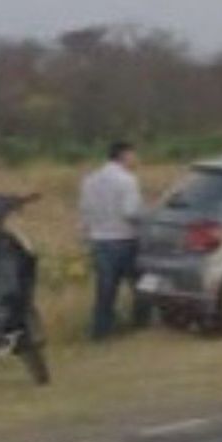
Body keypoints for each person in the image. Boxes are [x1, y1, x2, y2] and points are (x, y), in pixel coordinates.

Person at [79, 141, 152, 341]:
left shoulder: (90, 180)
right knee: (140, 284)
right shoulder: (127, 180)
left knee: (105, 289)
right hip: (124, 239)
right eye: (133, 155)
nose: (136, 159)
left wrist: (86, 236)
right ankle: (141, 325)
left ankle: (101, 331)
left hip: (100, 240)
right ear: (124, 155)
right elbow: (130, 212)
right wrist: (148, 216)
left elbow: (85, 211)